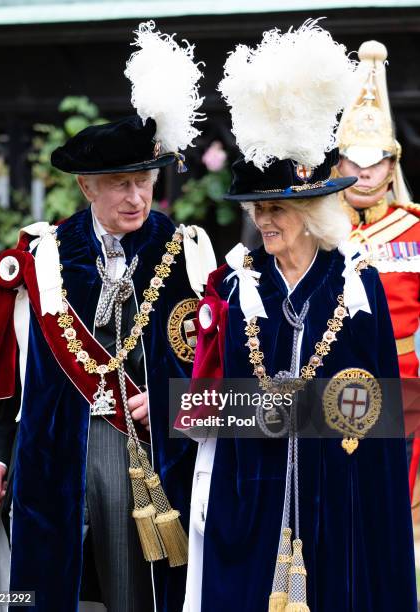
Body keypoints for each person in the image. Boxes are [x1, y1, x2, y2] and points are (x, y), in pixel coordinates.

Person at [0, 22, 215, 612]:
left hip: (147, 452)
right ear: (86, 187)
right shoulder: (45, 254)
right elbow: (14, 372)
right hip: (53, 448)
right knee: (46, 588)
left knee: (135, 593)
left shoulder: (188, 252)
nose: (135, 198)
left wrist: (179, 402)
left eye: (143, 182)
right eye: (119, 185)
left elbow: (214, 361)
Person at [183, 21, 417, 612]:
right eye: (258, 209)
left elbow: (379, 408)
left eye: (278, 208)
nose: (265, 221)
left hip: (335, 491)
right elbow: (209, 403)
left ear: (311, 210)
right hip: (252, 492)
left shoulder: (355, 283)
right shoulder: (238, 285)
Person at [335, 41, 420, 493]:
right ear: (340, 162)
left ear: (391, 166)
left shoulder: (415, 229)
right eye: (355, 160)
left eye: (376, 161)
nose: (365, 173)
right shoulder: (316, 229)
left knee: (392, 499)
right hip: (329, 379)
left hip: (402, 382)